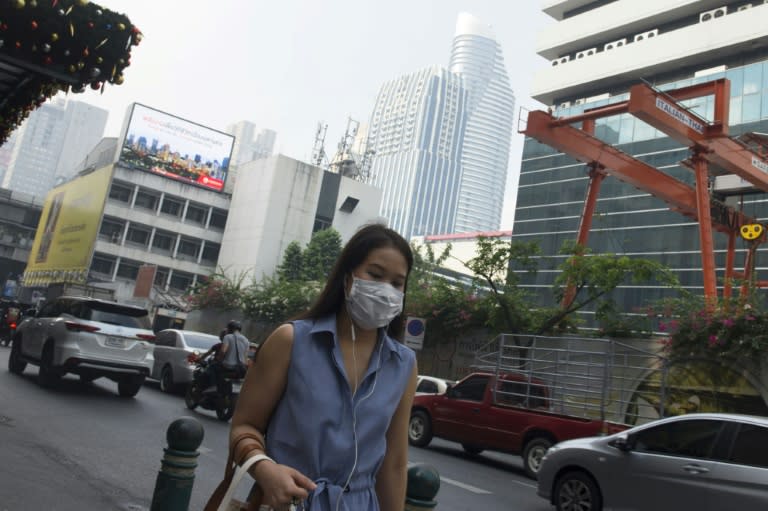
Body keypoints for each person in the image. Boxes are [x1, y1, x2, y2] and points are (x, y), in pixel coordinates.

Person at [228, 224, 418, 510]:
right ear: (347, 277)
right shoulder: (291, 341)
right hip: (286, 503)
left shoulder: (403, 365)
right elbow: (244, 426)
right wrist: (265, 469)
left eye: (396, 283)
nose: (384, 290)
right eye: (375, 275)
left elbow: (394, 464)